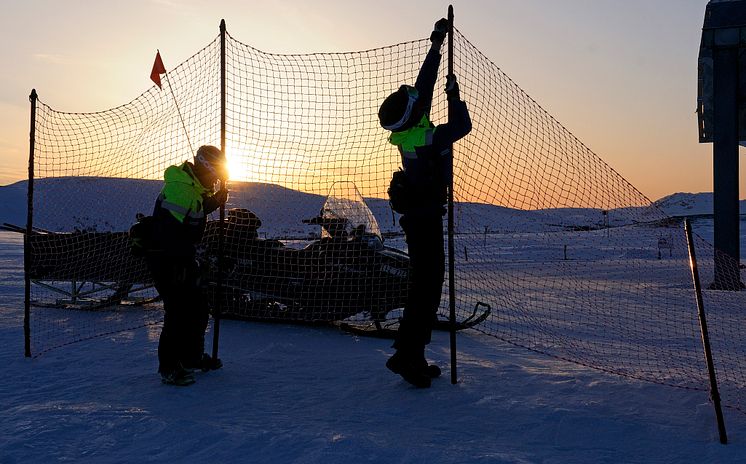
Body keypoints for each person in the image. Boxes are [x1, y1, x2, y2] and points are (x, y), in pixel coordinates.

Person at [378, 18, 472, 388]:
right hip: (426, 219)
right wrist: (453, 97)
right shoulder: (428, 137)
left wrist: (436, 44)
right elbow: (461, 126)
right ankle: (406, 357)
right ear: (413, 115)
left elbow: (423, 85)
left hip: (419, 217)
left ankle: (410, 353)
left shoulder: (412, 131)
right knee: (427, 289)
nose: (418, 98)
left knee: (424, 286)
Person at [147, 145, 229, 386]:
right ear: (205, 168)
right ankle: (170, 368)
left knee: (198, 307)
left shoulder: (195, 187)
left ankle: (191, 358)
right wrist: (180, 265)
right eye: (215, 175)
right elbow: (168, 232)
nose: (216, 180)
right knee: (178, 312)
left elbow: (198, 209)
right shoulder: (180, 190)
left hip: (181, 256)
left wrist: (215, 200)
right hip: (166, 257)